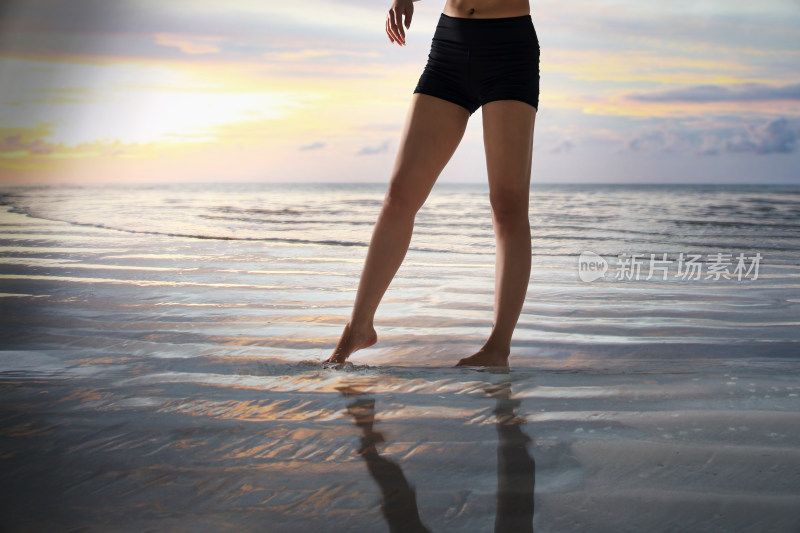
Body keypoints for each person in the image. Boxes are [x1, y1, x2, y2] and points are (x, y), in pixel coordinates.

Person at [325, 0, 539, 368]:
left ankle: (497, 348)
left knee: (507, 204)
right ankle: (358, 327)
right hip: (450, 44)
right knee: (400, 195)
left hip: (509, 47)